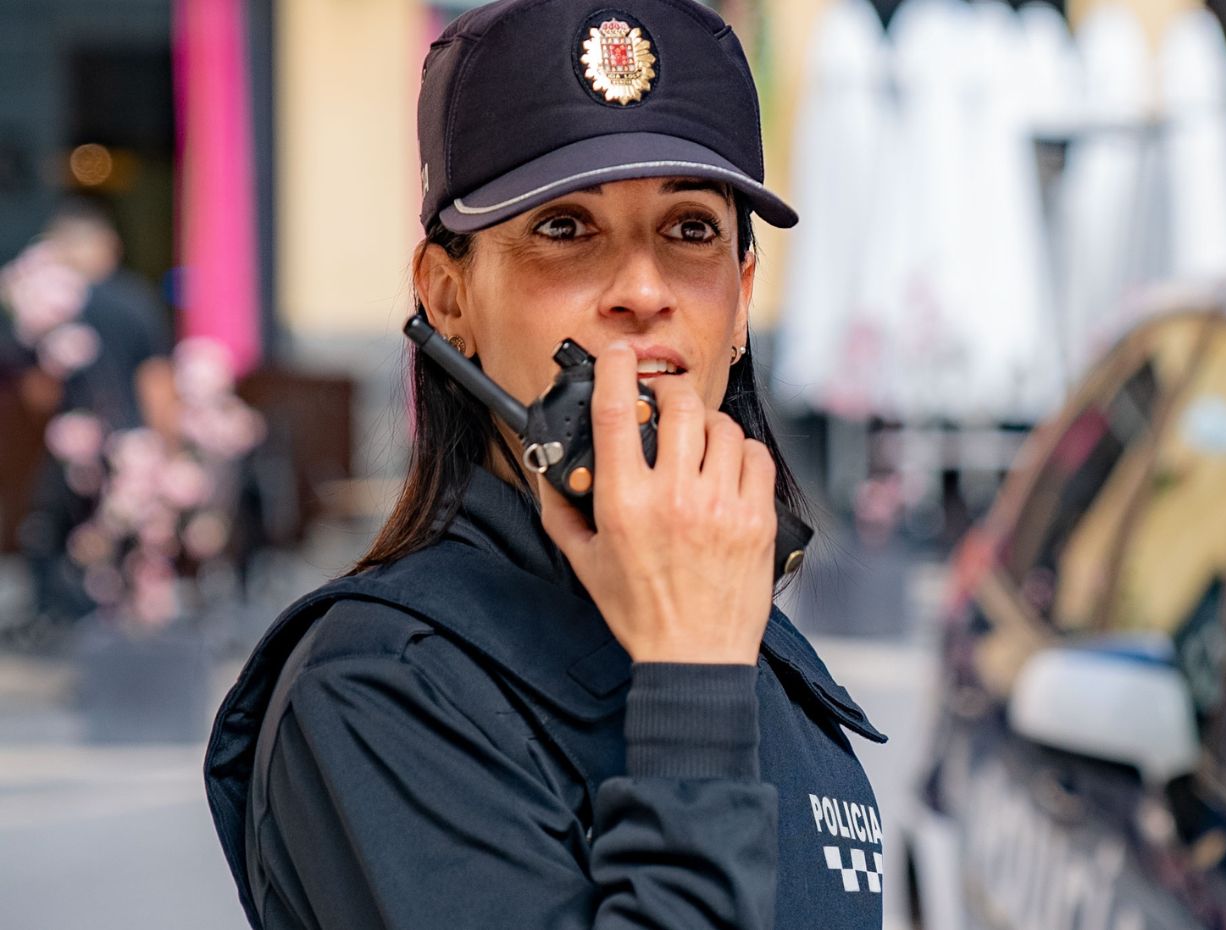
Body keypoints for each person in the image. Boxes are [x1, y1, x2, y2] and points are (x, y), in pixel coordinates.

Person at [203, 2, 888, 927]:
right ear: (448, 299)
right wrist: (690, 690)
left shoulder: (745, 627)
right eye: (565, 229)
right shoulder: (379, 690)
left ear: (741, 304)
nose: (643, 292)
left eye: (690, 230)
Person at [14, 198, 177, 636]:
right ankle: (129, 636)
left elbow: (38, 396)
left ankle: (70, 631)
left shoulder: (43, 312)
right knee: (129, 550)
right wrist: (168, 450)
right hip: (133, 447)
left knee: (57, 539)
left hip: (72, 449)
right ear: (108, 246)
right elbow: (157, 384)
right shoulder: (136, 301)